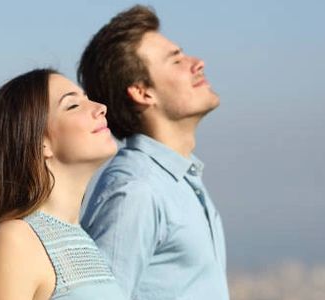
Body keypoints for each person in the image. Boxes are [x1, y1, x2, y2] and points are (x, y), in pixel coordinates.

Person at [78, 5, 230, 300]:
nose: (197, 63)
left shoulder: (179, 180)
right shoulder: (136, 190)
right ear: (142, 92)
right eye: (176, 61)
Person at [0, 68, 127, 300]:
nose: (100, 108)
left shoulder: (84, 241)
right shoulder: (15, 240)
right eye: (73, 105)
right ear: (40, 143)